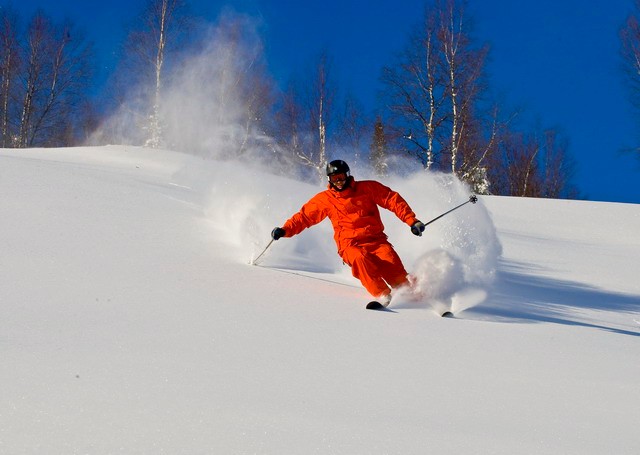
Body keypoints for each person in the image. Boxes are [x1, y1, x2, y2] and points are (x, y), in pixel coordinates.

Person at [270, 159, 425, 306]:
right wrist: (285, 230)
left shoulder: (368, 188)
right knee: (360, 258)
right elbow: (304, 217)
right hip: (349, 244)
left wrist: (412, 221)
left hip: (377, 241)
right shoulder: (325, 200)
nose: (339, 181)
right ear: (329, 179)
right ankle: (383, 294)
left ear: (347, 174)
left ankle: (417, 297)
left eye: (341, 176)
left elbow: (392, 200)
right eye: (334, 178)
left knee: (394, 268)